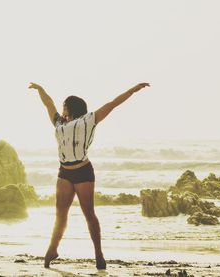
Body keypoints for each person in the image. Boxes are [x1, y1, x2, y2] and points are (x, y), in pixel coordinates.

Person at [28, 81, 150, 269]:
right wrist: (40, 90)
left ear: (69, 107)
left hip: (83, 172)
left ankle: (98, 254)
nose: (62, 109)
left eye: (64, 106)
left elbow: (113, 103)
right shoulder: (59, 122)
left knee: (89, 214)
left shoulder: (89, 120)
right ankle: (52, 249)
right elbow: (48, 103)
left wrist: (132, 90)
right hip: (64, 173)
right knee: (60, 215)